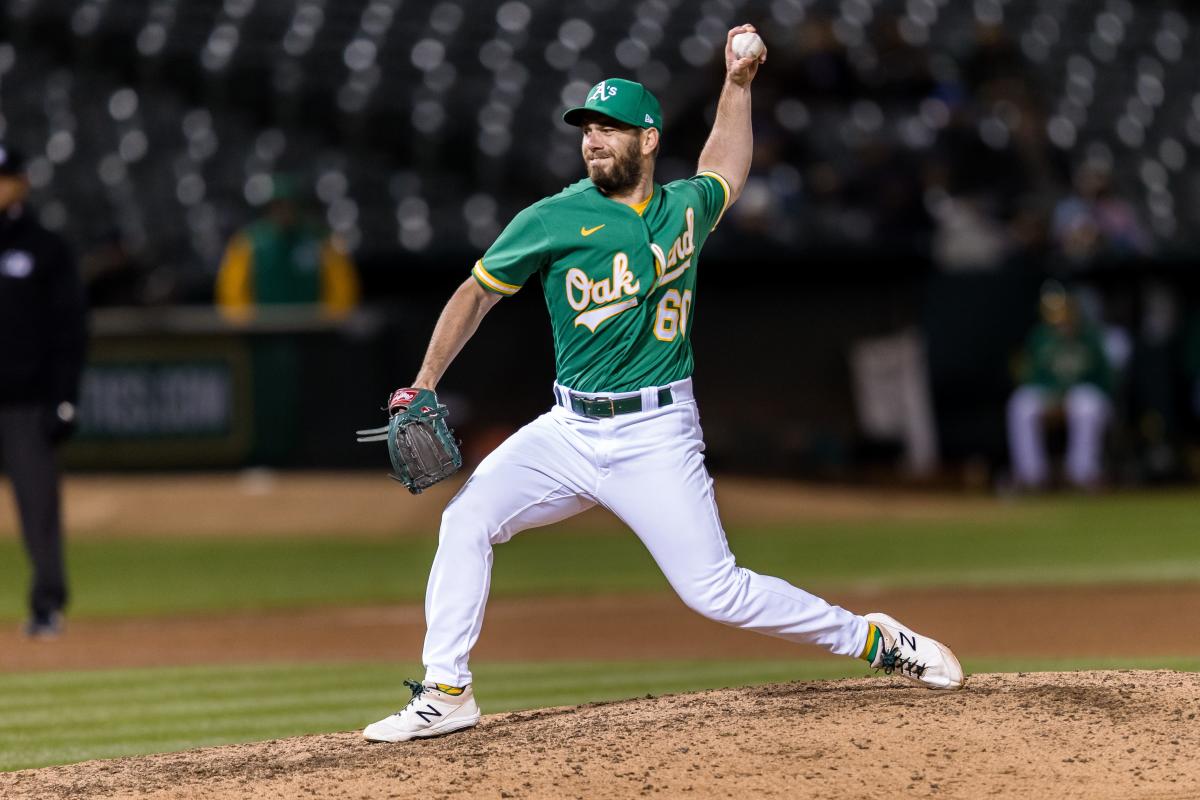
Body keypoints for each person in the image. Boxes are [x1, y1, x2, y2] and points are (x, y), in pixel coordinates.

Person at [361, 26, 964, 744]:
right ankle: (447, 691)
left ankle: (875, 641)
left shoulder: (684, 209)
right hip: (568, 429)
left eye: (610, 128)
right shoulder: (552, 218)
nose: (593, 140)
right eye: (587, 128)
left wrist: (737, 86)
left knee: (717, 592)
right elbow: (476, 293)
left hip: (655, 433)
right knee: (466, 520)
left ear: (647, 140)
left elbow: (727, 168)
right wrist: (425, 381)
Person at [0, 143, 87, 638]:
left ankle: (47, 605)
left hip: (25, 401)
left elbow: (69, 329)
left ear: (21, 183)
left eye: (3, 176)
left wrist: (64, 395)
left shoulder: (44, 247)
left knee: (38, 506)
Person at [1007, 281, 1113, 489]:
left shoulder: (1091, 337)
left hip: (1082, 395)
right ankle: (1031, 476)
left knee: (1085, 405)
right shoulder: (1040, 337)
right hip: (1049, 395)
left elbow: (1105, 379)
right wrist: (1054, 397)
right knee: (1020, 404)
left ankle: (1083, 474)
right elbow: (1030, 377)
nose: (1061, 320)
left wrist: (1065, 396)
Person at [215, 175, 360, 317]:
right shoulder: (248, 241)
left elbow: (342, 291)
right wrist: (243, 322)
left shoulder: (322, 240)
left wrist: (331, 321)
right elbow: (232, 292)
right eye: (278, 206)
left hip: (312, 329)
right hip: (263, 329)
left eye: (289, 206)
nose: (284, 212)